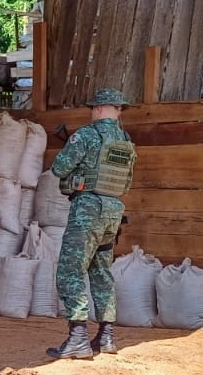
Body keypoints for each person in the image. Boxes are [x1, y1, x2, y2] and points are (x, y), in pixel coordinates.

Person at [47, 88, 136, 359]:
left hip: (87, 209)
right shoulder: (125, 140)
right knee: (101, 272)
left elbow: (58, 168)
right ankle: (107, 337)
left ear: (97, 109)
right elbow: (127, 181)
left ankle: (77, 338)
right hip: (113, 210)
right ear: (118, 110)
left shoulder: (86, 135)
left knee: (70, 271)